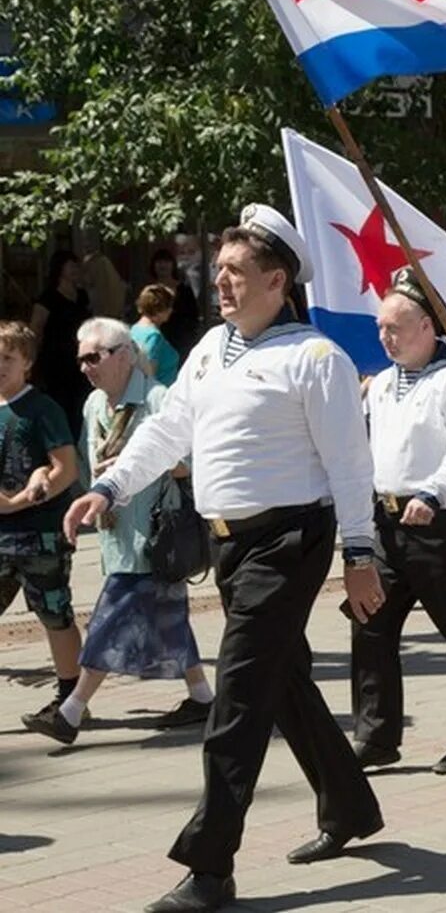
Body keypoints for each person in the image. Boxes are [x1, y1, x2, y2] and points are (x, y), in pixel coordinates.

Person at [63, 205, 383, 913]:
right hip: (229, 544)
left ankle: (210, 867)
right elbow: (169, 427)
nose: (223, 285)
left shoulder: (315, 358)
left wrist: (360, 554)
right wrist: (110, 486)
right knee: (284, 679)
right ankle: (351, 807)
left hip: (290, 541)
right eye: (221, 273)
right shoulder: (212, 348)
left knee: (237, 700)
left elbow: (351, 465)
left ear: (278, 280)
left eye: (237, 273)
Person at [22, 318, 211, 745]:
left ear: (124, 354)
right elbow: (88, 466)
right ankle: (202, 696)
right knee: (169, 620)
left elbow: (193, 464)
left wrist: (134, 463)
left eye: (94, 357)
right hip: (116, 532)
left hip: (154, 533)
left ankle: (70, 711)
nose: (86, 367)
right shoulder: (93, 406)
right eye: (81, 360)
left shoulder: (160, 399)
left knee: (111, 618)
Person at [350, 269, 446, 775]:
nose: (385, 337)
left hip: (442, 521)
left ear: (429, 327)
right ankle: (376, 735)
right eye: (381, 328)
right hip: (388, 525)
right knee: (370, 622)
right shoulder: (381, 384)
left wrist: (435, 490)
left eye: (397, 326)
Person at [1, 321, 84, 726]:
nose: (0, 366)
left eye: (7, 359)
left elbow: (66, 469)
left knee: (54, 614)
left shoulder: (42, 409)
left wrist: (16, 503)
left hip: (40, 537)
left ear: (27, 364)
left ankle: (70, 700)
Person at [30, 249, 92, 440]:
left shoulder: (81, 295)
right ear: (60, 268)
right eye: (71, 265)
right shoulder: (48, 297)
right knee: (60, 403)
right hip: (55, 360)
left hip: (79, 358)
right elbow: (35, 329)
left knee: (80, 402)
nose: (75, 269)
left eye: (76, 265)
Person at [150, 247, 203, 360]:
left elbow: (193, 315)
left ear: (173, 265)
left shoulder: (184, 289)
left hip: (182, 342)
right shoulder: (150, 291)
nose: (163, 265)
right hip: (157, 340)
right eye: (159, 262)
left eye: (166, 261)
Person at [132, 283, 183, 386]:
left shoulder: (133, 330)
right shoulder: (154, 337)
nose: (171, 311)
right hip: (159, 396)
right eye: (168, 306)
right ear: (159, 309)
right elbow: (148, 375)